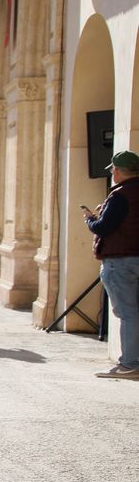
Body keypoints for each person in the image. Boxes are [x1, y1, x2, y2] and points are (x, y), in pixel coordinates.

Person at [85, 150, 139, 380]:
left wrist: (90, 218)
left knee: (127, 313)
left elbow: (103, 227)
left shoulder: (120, 195)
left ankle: (130, 364)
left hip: (120, 261)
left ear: (116, 171)